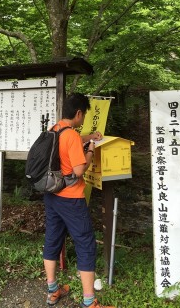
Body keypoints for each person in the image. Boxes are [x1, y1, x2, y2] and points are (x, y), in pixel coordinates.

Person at [43, 93, 116, 308]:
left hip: (51, 194)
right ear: (78, 113)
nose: (83, 119)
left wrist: (90, 136)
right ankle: (89, 301)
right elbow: (79, 169)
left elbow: (68, 143)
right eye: (83, 115)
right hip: (71, 198)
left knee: (52, 239)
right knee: (85, 244)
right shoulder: (72, 136)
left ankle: (52, 290)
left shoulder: (54, 129)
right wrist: (91, 149)